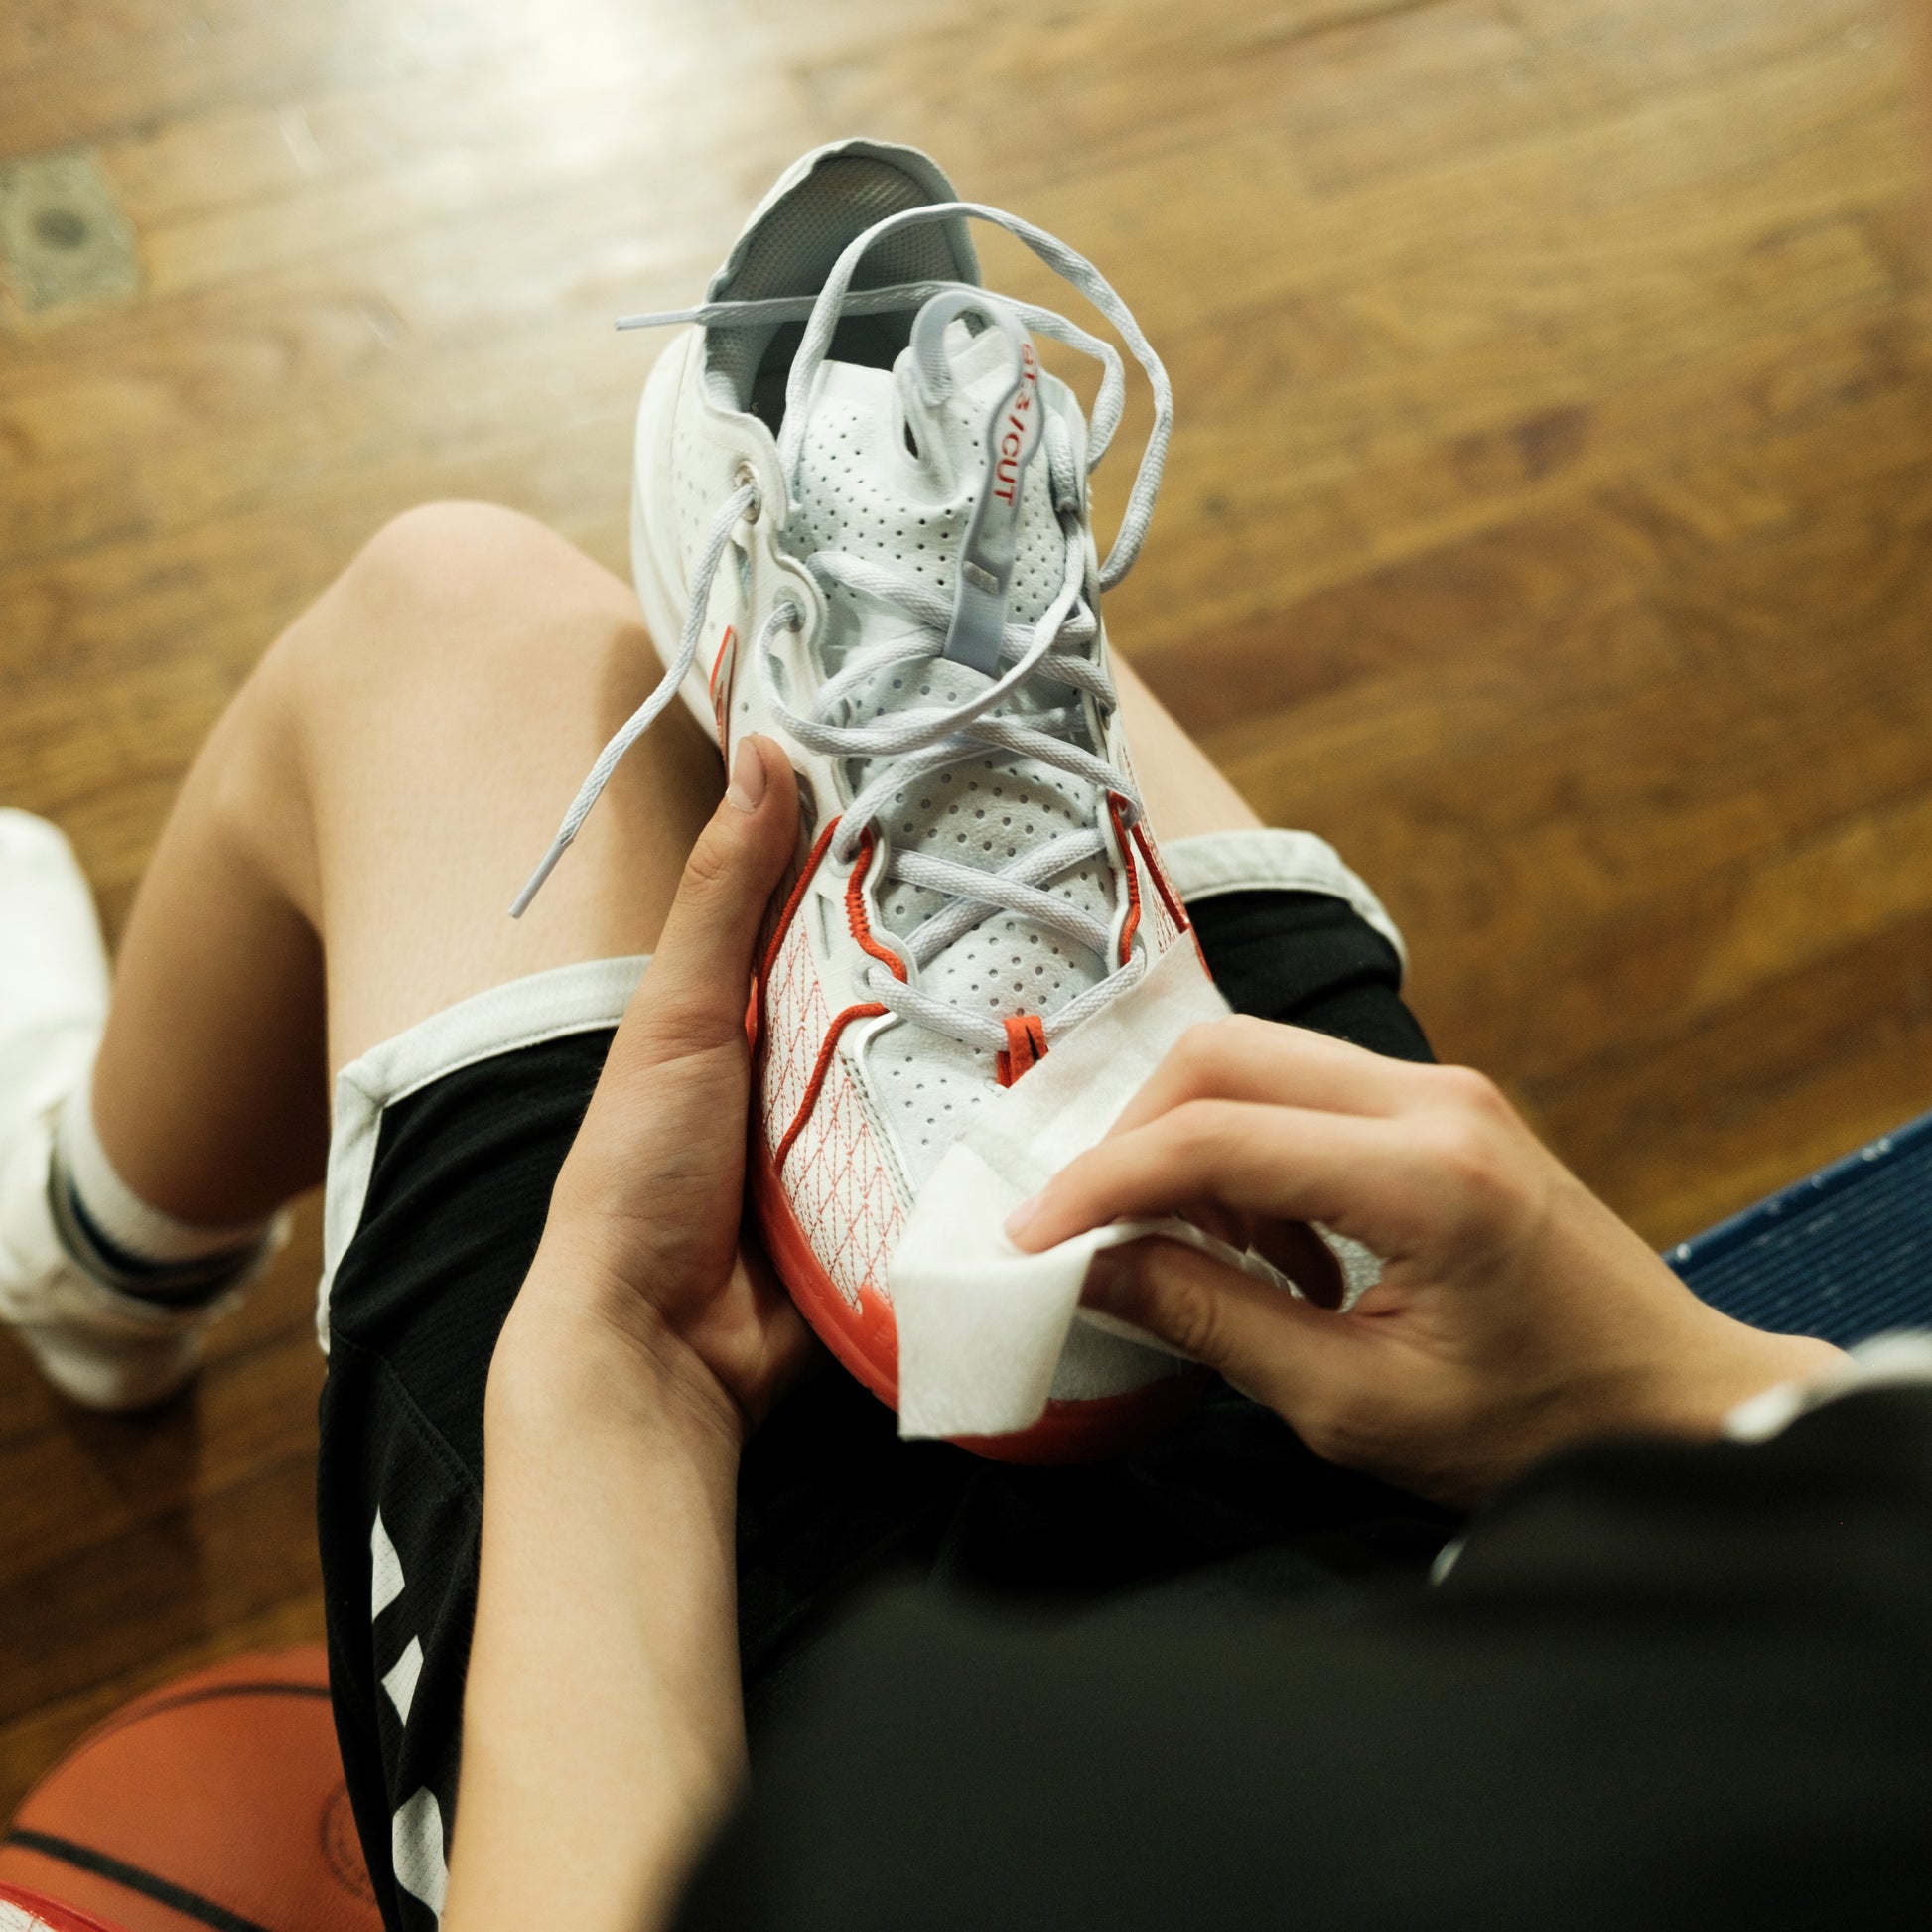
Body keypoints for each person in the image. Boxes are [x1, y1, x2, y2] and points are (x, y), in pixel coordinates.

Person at [2, 488, 1926, 1932]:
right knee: (959, 657)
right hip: (1490, 1598)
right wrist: (1665, 1380)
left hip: (742, 1806)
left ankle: (89, 1259)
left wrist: (619, 1388)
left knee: (459, 616)